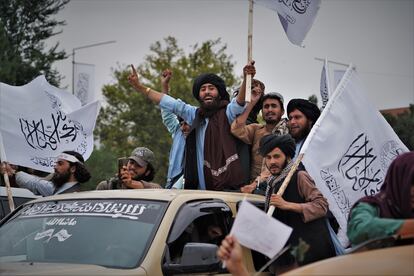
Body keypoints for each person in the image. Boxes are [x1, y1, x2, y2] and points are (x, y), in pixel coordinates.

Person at [128, 62, 252, 191]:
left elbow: (239, 101)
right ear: (198, 96)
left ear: (219, 93)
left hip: (225, 190)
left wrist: (246, 78)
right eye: (203, 89)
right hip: (194, 192)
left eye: (211, 88)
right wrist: (139, 87)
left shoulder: (227, 113)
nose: (207, 92)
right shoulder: (194, 115)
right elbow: (167, 103)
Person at [260, 134, 335, 273]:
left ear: (287, 157)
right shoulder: (271, 183)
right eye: (268, 157)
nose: (272, 162)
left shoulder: (300, 176)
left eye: (277, 156)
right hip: (284, 256)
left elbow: (322, 206)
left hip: (306, 256)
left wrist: (287, 205)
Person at [347, 151, 414, 246]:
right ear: (398, 179)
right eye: (412, 182)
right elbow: (359, 229)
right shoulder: (370, 205)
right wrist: (407, 227)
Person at [232, 89, 288, 190]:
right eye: (266, 106)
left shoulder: (287, 133)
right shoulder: (256, 129)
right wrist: (251, 104)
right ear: (262, 112)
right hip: (253, 190)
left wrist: (254, 185)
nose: (269, 109)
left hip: (277, 189)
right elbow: (236, 129)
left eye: (274, 106)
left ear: (282, 111)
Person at [0, 151, 91, 196]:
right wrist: (12, 173)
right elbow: (34, 183)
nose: (55, 167)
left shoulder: (74, 196)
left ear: (73, 169)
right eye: (56, 163)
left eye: (60, 163)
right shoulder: (54, 189)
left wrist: (13, 173)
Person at [159, 69, 190, 189]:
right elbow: (166, 113)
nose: (183, 127)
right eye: (181, 123)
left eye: (187, 123)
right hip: (172, 185)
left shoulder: (204, 135)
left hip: (192, 188)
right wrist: (164, 86)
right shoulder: (178, 132)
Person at [96, 147, 161, 190]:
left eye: (139, 165)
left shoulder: (154, 190)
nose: (132, 167)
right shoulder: (106, 186)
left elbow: (157, 188)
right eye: (131, 162)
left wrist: (130, 183)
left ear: (148, 172)